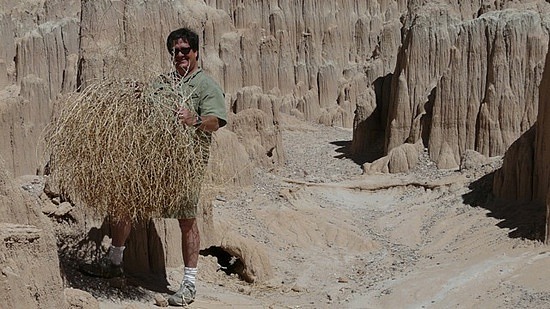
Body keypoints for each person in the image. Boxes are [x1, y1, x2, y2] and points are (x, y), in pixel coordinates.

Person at [82, 27, 227, 306]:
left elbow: (216, 122)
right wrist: (137, 97)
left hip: (185, 167)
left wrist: (194, 119)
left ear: (196, 52)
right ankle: (113, 263)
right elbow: (146, 112)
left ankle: (188, 284)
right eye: (175, 51)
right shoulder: (162, 83)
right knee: (123, 203)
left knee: (186, 221)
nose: (181, 55)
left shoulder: (205, 86)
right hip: (152, 163)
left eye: (185, 50)